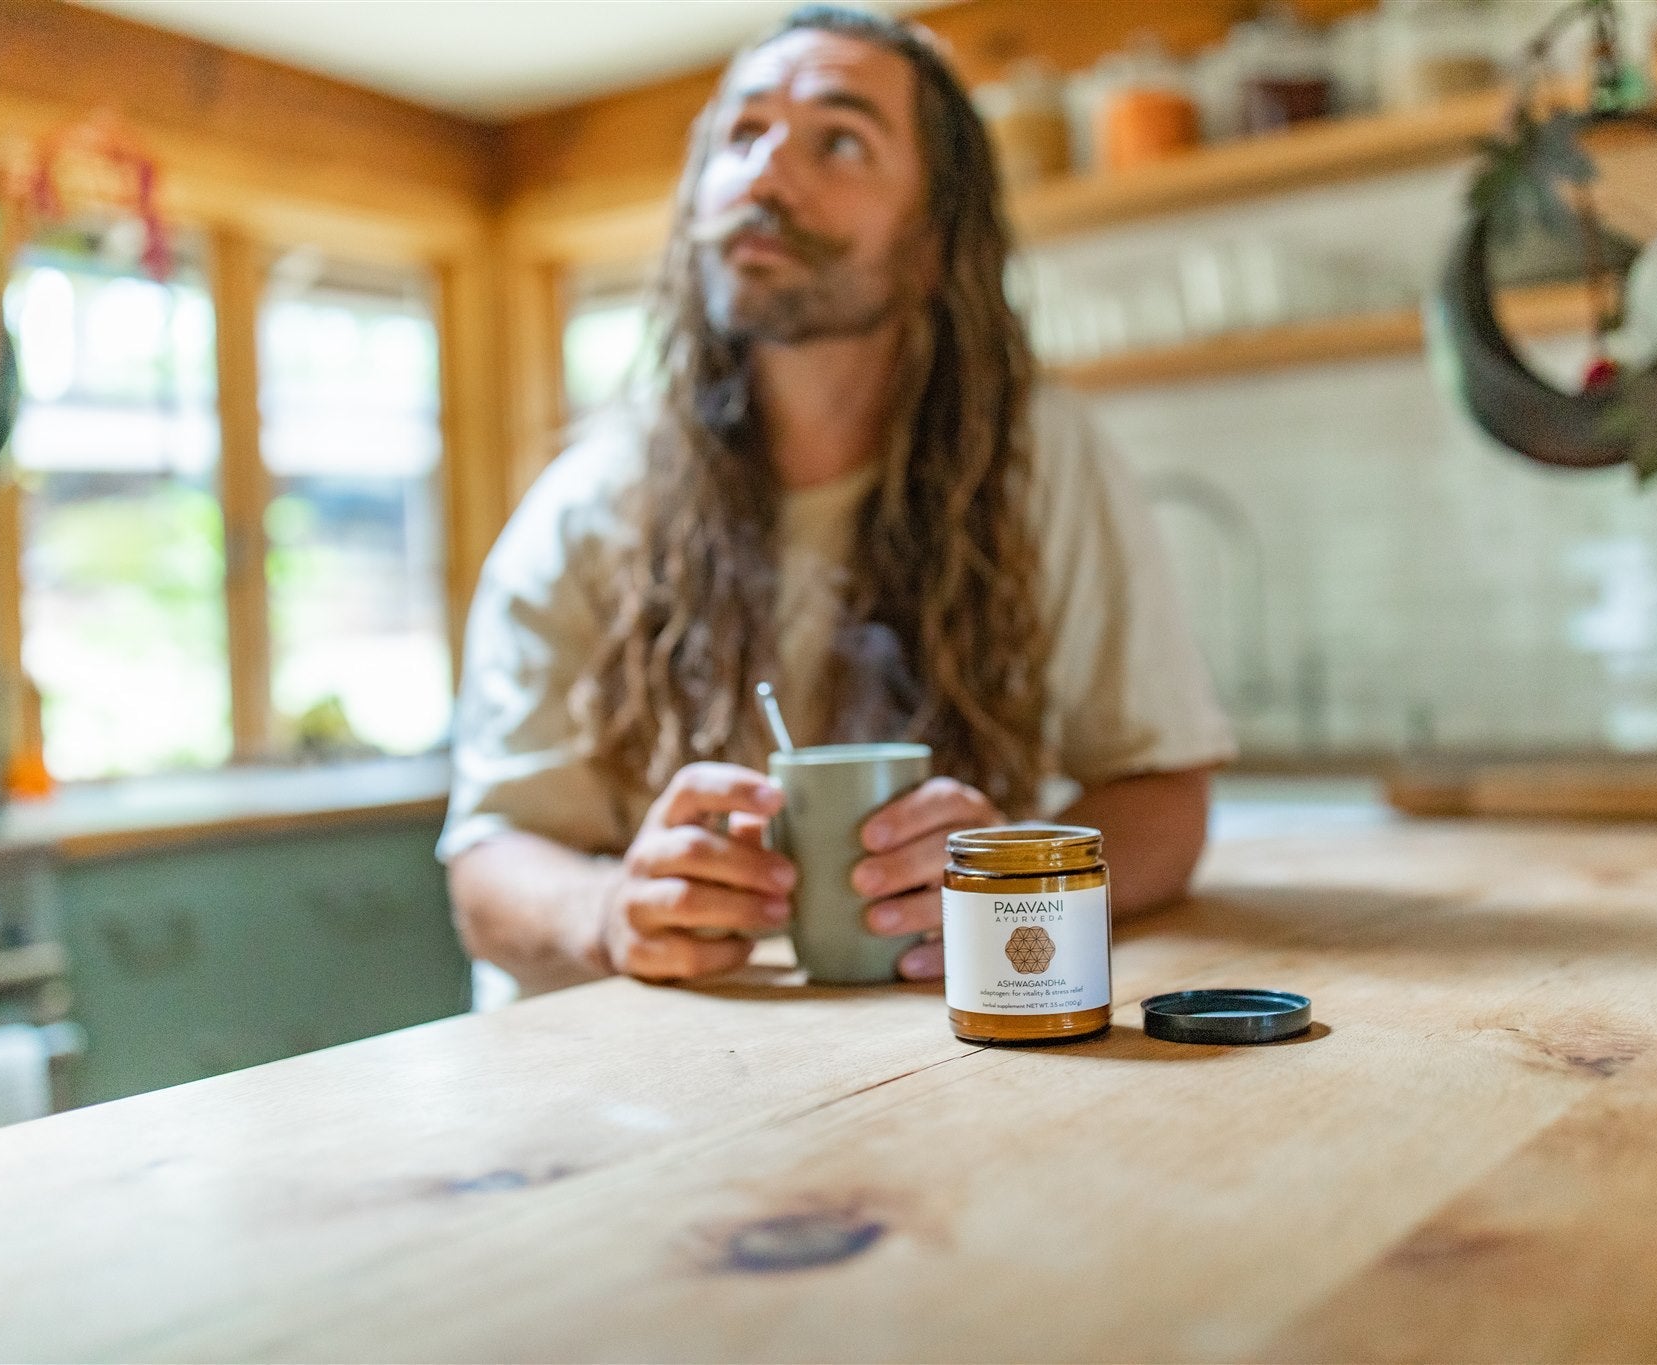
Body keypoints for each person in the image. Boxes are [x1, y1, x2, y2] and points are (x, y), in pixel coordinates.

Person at [440, 5, 1234, 999]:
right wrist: (602, 911)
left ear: (931, 242)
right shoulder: (588, 505)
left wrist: (1023, 876)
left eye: (839, 140)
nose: (764, 176)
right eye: (741, 134)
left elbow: (1162, 796)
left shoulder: (1037, 460)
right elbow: (487, 865)